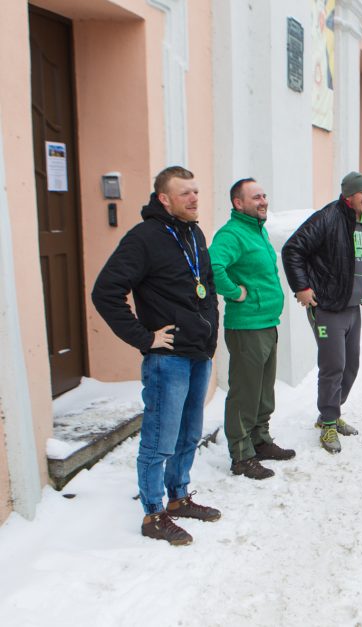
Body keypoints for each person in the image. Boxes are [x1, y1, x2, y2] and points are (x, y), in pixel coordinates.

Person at [92, 166, 221, 546]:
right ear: (164, 199)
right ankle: (153, 514)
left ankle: (178, 497)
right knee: (159, 440)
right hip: (168, 360)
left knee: (188, 434)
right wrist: (144, 339)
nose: (195, 199)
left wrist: (210, 334)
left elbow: (207, 287)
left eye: (196, 191)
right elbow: (106, 293)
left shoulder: (194, 232)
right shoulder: (144, 238)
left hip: (198, 354)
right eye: (185, 194)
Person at [281, 171, 362, 454]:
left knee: (351, 366)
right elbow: (292, 249)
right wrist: (302, 287)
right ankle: (327, 423)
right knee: (333, 366)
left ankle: (332, 413)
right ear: (348, 195)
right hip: (327, 307)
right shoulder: (327, 218)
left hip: (352, 308)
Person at [209, 178, 293, 481]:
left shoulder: (257, 231)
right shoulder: (232, 235)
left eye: (264, 195)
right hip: (247, 326)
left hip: (267, 323)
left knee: (263, 392)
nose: (263, 201)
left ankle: (260, 441)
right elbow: (212, 266)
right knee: (245, 393)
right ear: (238, 203)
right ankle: (242, 456)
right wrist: (235, 292)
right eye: (255, 197)